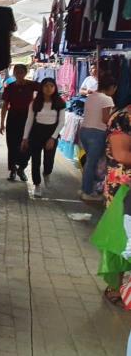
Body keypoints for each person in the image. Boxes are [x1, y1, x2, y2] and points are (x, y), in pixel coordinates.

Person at [101, 102, 131, 307]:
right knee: (119, 237)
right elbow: (121, 154)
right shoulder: (122, 118)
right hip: (122, 187)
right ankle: (115, 285)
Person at [21, 78, 66, 198]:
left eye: (52, 86)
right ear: (41, 87)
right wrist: (25, 138)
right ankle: (37, 184)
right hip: (36, 134)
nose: (49, 88)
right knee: (35, 160)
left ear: (55, 88)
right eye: (46, 86)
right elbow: (29, 121)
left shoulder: (60, 103)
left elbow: (62, 122)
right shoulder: (34, 103)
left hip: (51, 134)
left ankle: (47, 174)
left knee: (49, 160)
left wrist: (53, 138)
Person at [79, 76, 118, 202]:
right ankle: (87, 192)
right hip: (97, 133)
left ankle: (86, 187)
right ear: (111, 87)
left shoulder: (91, 96)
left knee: (90, 162)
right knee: (92, 163)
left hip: (84, 131)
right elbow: (105, 119)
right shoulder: (107, 99)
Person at [0, 64, 38, 182]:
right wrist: (2, 123)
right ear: (14, 73)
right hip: (13, 118)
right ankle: (12, 170)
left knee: (26, 144)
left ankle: (22, 168)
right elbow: (5, 106)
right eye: (17, 72)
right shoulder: (9, 87)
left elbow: (46, 91)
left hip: (28, 118)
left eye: (21, 72)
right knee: (11, 144)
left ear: (25, 73)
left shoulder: (32, 85)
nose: (19, 74)